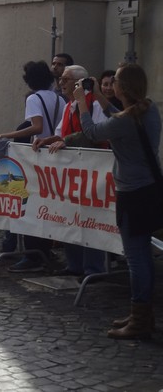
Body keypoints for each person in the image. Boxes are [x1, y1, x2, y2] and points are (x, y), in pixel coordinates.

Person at [74, 63, 161, 340]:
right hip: (149, 189)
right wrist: (101, 99)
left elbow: (92, 132)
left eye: (116, 84)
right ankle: (141, 312)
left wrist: (82, 104)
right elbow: (123, 119)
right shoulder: (150, 110)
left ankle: (140, 318)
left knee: (136, 258)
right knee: (143, 254)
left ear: (121, 88)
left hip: (131, 193)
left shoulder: (125, 120)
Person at [0, 60, 66, 272]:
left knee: (31, 204)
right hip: (56, 155)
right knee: (49, 205)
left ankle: (33, 255)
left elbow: (37, 127)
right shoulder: (59, 98)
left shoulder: (34, 98)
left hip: (39, 155)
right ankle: (45, 250)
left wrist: (6, 135)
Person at [33, 65, 108, 278]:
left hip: (92, 171)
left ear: (78, 83)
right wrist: (47, 140)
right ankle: (74, 263)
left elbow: (96, 134)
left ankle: (94, 267)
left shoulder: (94, 104)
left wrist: (65, 140)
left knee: (92, 219)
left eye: (65, 79)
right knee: (69, 217)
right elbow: (60, 134)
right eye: (61, 79)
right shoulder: (68, 106)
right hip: (70, 172)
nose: (61, 83)